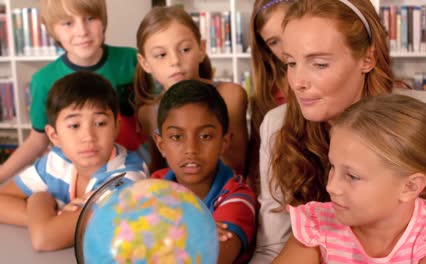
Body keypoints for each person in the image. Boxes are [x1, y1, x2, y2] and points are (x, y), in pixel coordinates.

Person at [252, 0, 426, 262]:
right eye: (291, 63)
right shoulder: (277, 126)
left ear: (368, 58)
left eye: (319, 64)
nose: (297, 83)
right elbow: (272, 246)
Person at [274, 94, 426, 263]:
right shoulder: (316, 226)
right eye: (333, 166)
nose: (331, 187)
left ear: (409, 187)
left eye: (352, 176)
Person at [0, 72, 148, 251]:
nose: (88, 137)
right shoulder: (56, 161)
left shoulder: (126, 178)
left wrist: (39, 199)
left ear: (116, 127)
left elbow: (44, 239)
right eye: (74, 126)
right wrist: (49, 218)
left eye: (100, 123)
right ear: (54, 135)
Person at [0, 0, 143, 183]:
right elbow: (38, 141)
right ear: (51, 29)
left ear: (104, 20)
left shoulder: (133, 60)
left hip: (132, 167)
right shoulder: (43, 80)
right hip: (74, 176)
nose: (82, 31)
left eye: (90, 18)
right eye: (68, 23)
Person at [150, 80, 257, 264]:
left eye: (205, 136)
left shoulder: (237, 198)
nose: (191, 149)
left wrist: (157, 229)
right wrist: (194, 229)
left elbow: (209, 257)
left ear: (224, 142)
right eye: (177, 137)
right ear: (161, 145)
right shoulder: (153, 185)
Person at [134, 6, 248, 175]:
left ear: (201, 49)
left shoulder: (230, 95)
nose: (175, 61)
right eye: (161, 55)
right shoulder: (148, 113)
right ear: (145, 63)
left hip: (226, 195)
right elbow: (159, 173)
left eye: (185, 50)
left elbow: (237, 168)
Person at [247, 0, 292, 193]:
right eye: (274, 42)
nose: (286, 47)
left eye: (289, 31)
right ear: (266, 50)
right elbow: (257, 168)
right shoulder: (266, 98)